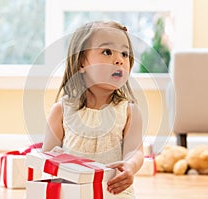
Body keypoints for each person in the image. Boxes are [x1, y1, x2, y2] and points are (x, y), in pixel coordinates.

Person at [42, 21, 144, 198]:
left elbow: (135, 152)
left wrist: (130, 166)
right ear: (82, 63)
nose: (120, 59)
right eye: (107, 52)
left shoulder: (129, 111)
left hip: (113, 193)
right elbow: (47, 160)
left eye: (125, 54)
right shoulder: (61, 111)